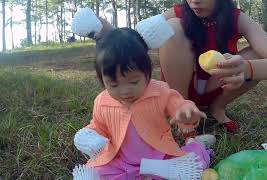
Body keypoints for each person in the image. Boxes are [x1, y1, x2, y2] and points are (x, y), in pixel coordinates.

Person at [73, 28, 215, 179]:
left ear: (147, 72)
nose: (125, 91)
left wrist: (186, 112)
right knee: (93, 174)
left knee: (191, 166)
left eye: (134, 82)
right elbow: (98, 126)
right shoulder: (102, 102)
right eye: (113, 85)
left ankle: (197, 145)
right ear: (102, 81)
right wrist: (89, 134)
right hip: (119, 160)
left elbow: (178, 104)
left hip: (159, 157)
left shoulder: (159, 91)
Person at [158, 0, 267, 133]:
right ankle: (180, 110)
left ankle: (217, 108)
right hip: (182, 87)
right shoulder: (178, 12)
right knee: (171, 27)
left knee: (259, 54)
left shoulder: (236, 18)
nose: (195, 1)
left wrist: (246, 68)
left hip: (218, 84)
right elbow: (139, 38)